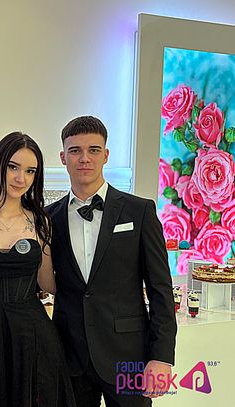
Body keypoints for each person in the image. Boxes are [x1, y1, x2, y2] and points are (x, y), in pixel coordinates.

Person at [45, 116, 177, 406]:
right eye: (75, 150)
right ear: (63, 157)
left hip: (129, 356)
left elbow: (160, 289)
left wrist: (161, 357)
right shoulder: (48, 218)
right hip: (70, 356)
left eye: (93, 150)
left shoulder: (139, 211)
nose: (84, 158)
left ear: (105, 155)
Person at [0, 132, 76, 407]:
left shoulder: (40, 221)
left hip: (33, 337)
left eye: (30, 171)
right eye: (13, 167)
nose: (21, 178)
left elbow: (48, 283)